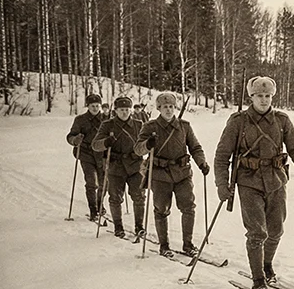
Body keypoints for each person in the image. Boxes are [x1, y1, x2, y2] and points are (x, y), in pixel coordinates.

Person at [213, 76, 294, 289]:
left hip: (276, 180)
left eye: (268, 96)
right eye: (260, 96)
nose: (264, 100)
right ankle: (258, 279)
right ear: (252, 97)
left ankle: (266, 265)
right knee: (257, 232)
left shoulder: (282, 120)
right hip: (249, 182)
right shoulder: (238, 121)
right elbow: (222, 156)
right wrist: (222, 185)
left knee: (276, 230)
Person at [135, 92, 209, 257]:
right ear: (159, 108)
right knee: (161, 209)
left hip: (183, 174)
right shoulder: (150, 127)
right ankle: (164, 245)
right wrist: (147, 144)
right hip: (160, 176)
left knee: (188, 208)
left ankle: (188, 245)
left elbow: (195, 147)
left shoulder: (184, 126)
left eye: (171, 107)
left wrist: (202, 163)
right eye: (164, 107)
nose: (168, 110)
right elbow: (138, 148)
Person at [92, 96, 147, 239]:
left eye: (127, 110)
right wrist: (106, 142)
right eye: (121, 110)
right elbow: (95, 145)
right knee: (115, 198)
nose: (124, 113)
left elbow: (146, 143)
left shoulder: (139, 125)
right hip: (115, 167)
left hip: (135, 166)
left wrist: (150, 145)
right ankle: (118, 226)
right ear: (115, 111)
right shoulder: (107, 125)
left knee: (139, 197)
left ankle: (139, 227)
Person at [65, 93, 108, 222]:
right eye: (92, 106)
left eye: (97, 106)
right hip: (86, 153)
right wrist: (75, 140)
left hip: (103, 154)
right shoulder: (80, 120)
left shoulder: (107, 119)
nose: (95, 108)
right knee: (91, 182)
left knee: (104, 182)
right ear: (88, 106)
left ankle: (100, 204)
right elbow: (70, 136)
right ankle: (93, 209)